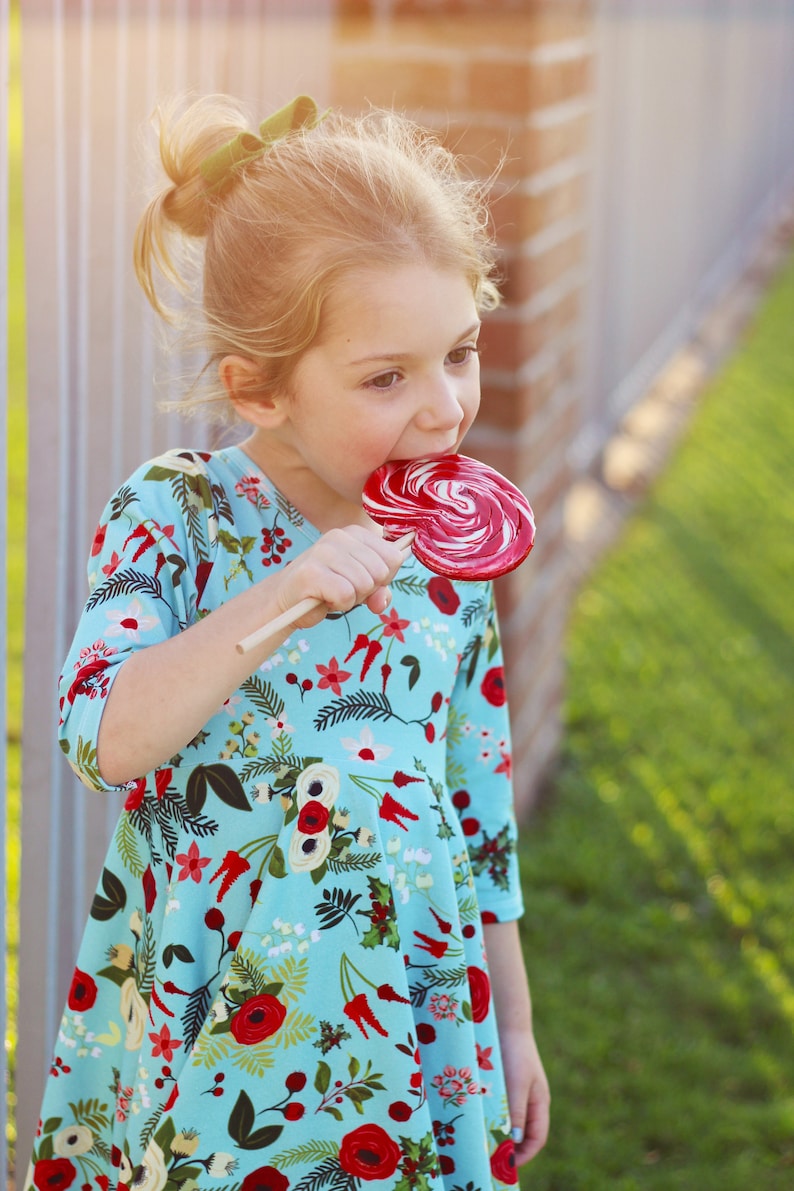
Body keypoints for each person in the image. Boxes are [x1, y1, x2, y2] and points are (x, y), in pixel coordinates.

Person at [26, 94, 549, 1191]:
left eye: (457, 352)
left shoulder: (446, 556)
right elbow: (101, 735)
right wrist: (285, 593)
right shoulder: (177, 517)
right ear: (257, 390)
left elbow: (474, 798)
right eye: (384, 378)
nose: (445, 409)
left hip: (409, 1025)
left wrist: (510, 1023)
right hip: (217, 1022)